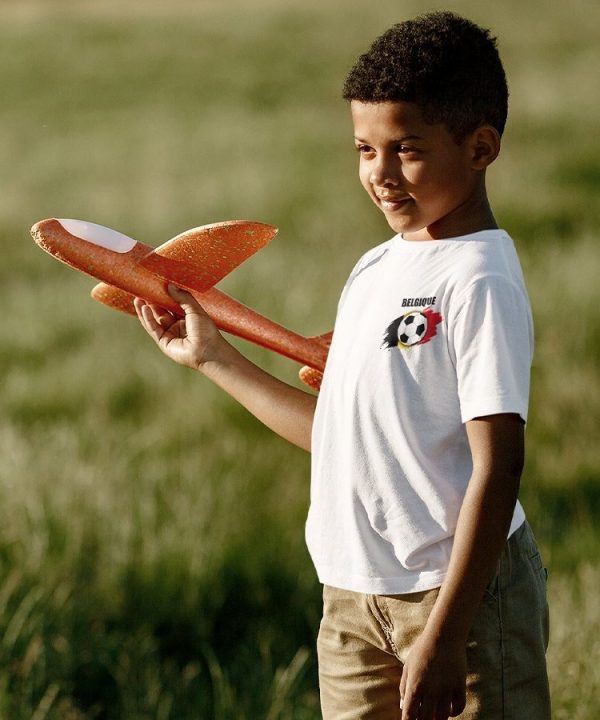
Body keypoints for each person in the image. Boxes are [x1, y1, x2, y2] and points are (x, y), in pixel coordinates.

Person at [134, 11, 550, 720]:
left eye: (407, 150)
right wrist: (214, 359)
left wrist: (447, 636)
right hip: (352, 598)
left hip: (459, 603)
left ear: (480, 147)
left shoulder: (477, 279)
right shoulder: (375, 268)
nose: (380, 174)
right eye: (364, 149)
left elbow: (499, 465)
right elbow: (342, 439)